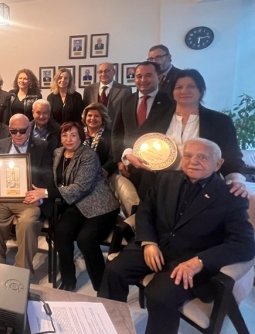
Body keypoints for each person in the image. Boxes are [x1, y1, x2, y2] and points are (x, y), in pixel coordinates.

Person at [98, 138, 255, 334]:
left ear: (218, 164)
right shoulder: (166, 179)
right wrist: (148, 242)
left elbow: (244, 244)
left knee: (158, 296)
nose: (193, 161)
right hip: (157, 244)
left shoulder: (230, 196)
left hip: (191, 258)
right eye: (188, 155)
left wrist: (200, 261)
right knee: (114, 271)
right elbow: (145, 210)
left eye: (203, 157)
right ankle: (108, 326)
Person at [125, 69, 248, 193]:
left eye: (191, 86)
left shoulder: (220, 121)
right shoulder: (157, 116)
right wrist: (129, 154)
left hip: (201, 188)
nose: (184, 91)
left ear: (201, 90)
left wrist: (236, 180)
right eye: (178, 87)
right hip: (158, 185)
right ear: (172, 92)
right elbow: (135, 138)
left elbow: (232, 156)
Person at [0, 114, 55, 271]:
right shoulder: (1, 144)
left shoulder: (42, 146)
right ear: (9, 130)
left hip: (28, 199)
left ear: (29, 129)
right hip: (2, 198)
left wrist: (41, 195)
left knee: (28, 223)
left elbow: (49, 175)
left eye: (22, 131)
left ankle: (22, 270)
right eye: (14, 131)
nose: (18, 135)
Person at [52, 122, 119, 291]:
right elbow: (58, 180)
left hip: (100, 205)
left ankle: (102, 285)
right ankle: (68, 281)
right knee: (61, 232)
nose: (68, 139)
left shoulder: (89, 155)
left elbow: (80, 187)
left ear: (81, 137)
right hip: (76, 203)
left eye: (73, 135)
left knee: (85, 239)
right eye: (64, 135)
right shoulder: (58, 153)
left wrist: (46, 193)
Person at [112, 61, 174, 199]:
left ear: (159, 77)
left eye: (148, 75)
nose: (143, 80)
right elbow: (117, 132)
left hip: (157, 167)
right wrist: (119, 160)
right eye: (139, 76)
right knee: (132, 202)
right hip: (129, 165)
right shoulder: (125, 101)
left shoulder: (170, 102)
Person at [82, 103, 117, 177]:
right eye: (89, 115)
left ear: (103, 118)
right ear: (85, 117)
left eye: (97, 116)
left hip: (100, 175)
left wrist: (105, 169)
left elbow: (114, 157)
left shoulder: (111, 135)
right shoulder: (78, 133)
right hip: (79, 173)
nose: (92, 118)